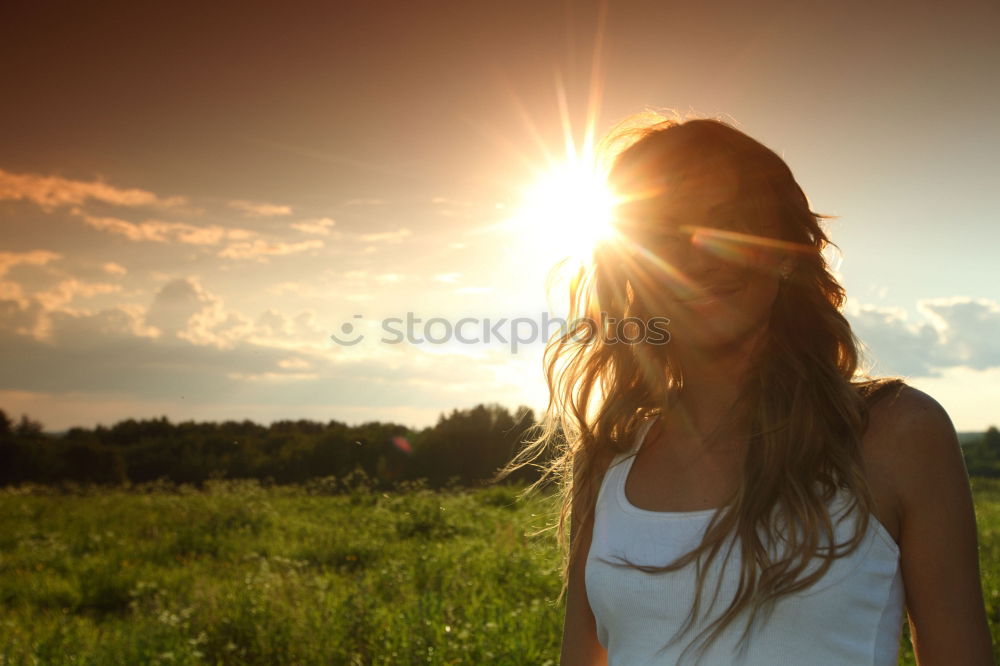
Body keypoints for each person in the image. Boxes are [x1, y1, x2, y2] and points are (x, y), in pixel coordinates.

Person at [496, 111, 993, 665]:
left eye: (727, 224)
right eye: (660, 234)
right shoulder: (610, 460)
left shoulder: (895, 432)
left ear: (782, 251)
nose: (693, 255)